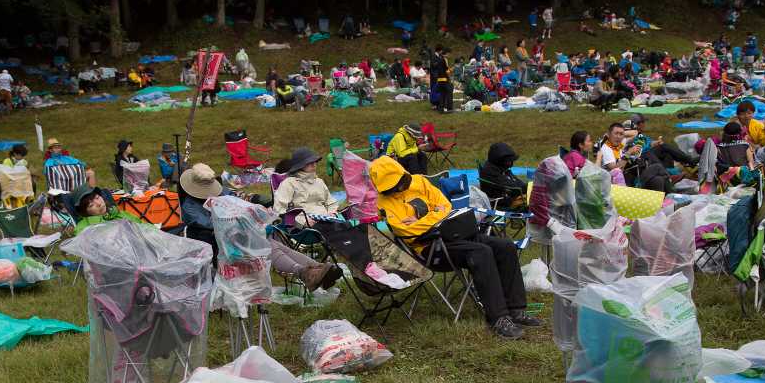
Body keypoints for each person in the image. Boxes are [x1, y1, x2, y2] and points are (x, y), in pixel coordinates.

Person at [368, 156, 536, 340]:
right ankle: (498, 318)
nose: (396, 187)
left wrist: (423, 218)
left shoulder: (419, 181)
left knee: (505, 247)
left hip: (453, 232)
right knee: (481, 252)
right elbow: (407, 231)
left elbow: (445, 206)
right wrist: (433, 216)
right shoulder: (384, 204)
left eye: (398, 181)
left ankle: (516, 309)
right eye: (390, 186)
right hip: (430, 248)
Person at [178, 163, 339, 291]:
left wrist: (254, 201)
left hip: (235, 238)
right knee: (265, 245)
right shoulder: (190, 208)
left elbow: (234, 197)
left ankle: (318, 269)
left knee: (275, 244)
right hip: (217, 247)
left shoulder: (218, 193)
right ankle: (305, 272)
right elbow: (217, 226)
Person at [272, 147, 370, 272]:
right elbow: (279, 208)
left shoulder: (319, 182)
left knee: (352, 228)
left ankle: (364, 262)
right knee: (338, 232)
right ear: (300, 165)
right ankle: (347, 265)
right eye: (310, 162)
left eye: (315, 161)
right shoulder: (289, 183)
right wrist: (302, 220)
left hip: (326, 219)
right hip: (304, 226)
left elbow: (331, 202)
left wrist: (332, 212)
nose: (314, 164)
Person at [478, 143, 527, 208]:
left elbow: (515, 181)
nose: (511, 164)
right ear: (500, 161)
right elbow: (514, 187)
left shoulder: (497, 167)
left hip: (506, 194)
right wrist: (528, 188)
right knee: (534, 197)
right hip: (501, 201)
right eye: (509, 161)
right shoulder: (491, 172)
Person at [68, 184, 136, 232]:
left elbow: (143, 227)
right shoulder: (83, 228)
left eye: (97, 198)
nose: (99, 204)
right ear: (85, 212)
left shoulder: (119, 213)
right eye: (91, 205)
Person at [430, 45, 453, 113]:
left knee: (442, 94)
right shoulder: (444, 60)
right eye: (449, 54)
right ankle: (449, 108)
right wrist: (451, 70)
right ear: (447, 53)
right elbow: (446, 70)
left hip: (439, 79)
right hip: (444, 79)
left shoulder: (439, 59)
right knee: (449, 93)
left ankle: (441, 108)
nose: (450, 55)